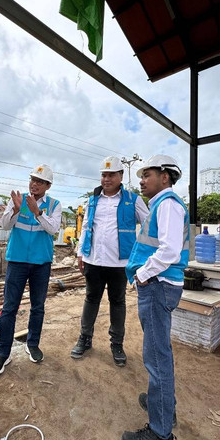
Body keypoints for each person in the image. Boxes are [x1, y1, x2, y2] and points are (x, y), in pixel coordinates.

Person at [121, 155, 188, 440]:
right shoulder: (160, 205)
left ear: (165, 176)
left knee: (156, 357)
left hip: (157, 286)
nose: (142, 180)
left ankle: (160, 438)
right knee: (159, 352)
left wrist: (142, 275)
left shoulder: (168, 204)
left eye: (147, 174)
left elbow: (170, 250)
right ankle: (163, 404)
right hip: (157, 286)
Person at [71, 156, 148, 366]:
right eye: (104, 175)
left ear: (120, 176)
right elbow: (86, 227)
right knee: (91, 299)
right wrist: (80, 253)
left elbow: (149, 226)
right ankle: (85, 339)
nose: (106, 179)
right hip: (93, 260)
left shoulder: (133, 200)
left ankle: (117, 344)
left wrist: (141, 257)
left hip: (120, 263)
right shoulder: (93, 200)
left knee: (118, 302)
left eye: (111, 174)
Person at [0, 164, 62, 376]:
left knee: (37, 307)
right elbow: (5, 225)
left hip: (41, 264)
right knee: (9, 308)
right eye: (32, 179)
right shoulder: (17, 200)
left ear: (48, 185)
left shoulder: (54, 205)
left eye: (39, 181)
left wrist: (38, 213)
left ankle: (33, 345)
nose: (34, 184)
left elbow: (53, 229)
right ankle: (3, 353)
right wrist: (17, 209)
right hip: (17, 262)